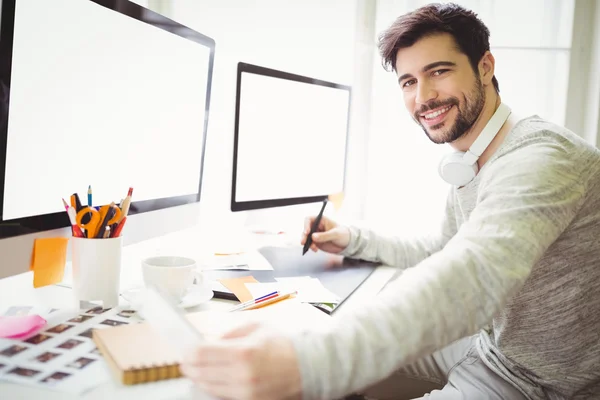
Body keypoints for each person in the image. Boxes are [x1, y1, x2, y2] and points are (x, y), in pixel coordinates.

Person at [180, 3, 600, 400]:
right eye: (409, 81)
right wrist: (351, 239)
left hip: (541, 384)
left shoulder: (540, 159)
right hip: (492, 349)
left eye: (438, 71)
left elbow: (473, 280)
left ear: (485, 67)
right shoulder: (473, 160)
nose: (424, 97)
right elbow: (440, 251)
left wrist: (304, 362)